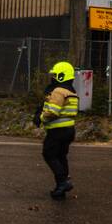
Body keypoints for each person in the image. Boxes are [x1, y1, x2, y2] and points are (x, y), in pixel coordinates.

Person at [34, 61, 79, 200]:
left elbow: (52, 112)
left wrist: (41, 117)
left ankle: (63, 182)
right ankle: (61, 187)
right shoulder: (72, 92)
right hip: (69, 130)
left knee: (49, 154)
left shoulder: (58, 91)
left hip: (57, 131)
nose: (52, 78)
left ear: (61, 76)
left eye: (55, 75)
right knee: (61, 156)